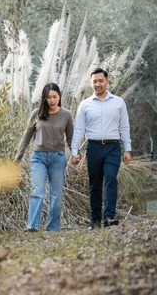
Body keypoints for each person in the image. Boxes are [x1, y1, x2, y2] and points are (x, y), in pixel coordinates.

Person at [70, 67, 132, 229]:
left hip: (113, 148)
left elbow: (124, 127)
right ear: (91, 83)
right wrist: (75, 152)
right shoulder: (85, 105)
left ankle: (109, 216)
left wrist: (127, 149)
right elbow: (79, 130)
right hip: (94, 148)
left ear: (107, 81)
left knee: (111, 178)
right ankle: (95, 220)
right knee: (95, 184)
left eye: (100, 81)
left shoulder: (119, 102)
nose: (98, 84)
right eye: (94, 81)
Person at [15, 83, 74, 232]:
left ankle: (52, 228)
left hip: (58, 159)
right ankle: (32, 226)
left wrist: (75, 154)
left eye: (54, 97)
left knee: (56, 195)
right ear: (44, 98)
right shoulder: (36, 113)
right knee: (37, 191)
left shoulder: (66, 115)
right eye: (49, 97)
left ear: (59, 97)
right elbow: (26, 137)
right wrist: (18, 157)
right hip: (38, 157)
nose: (52, 100)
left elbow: (70, 138)